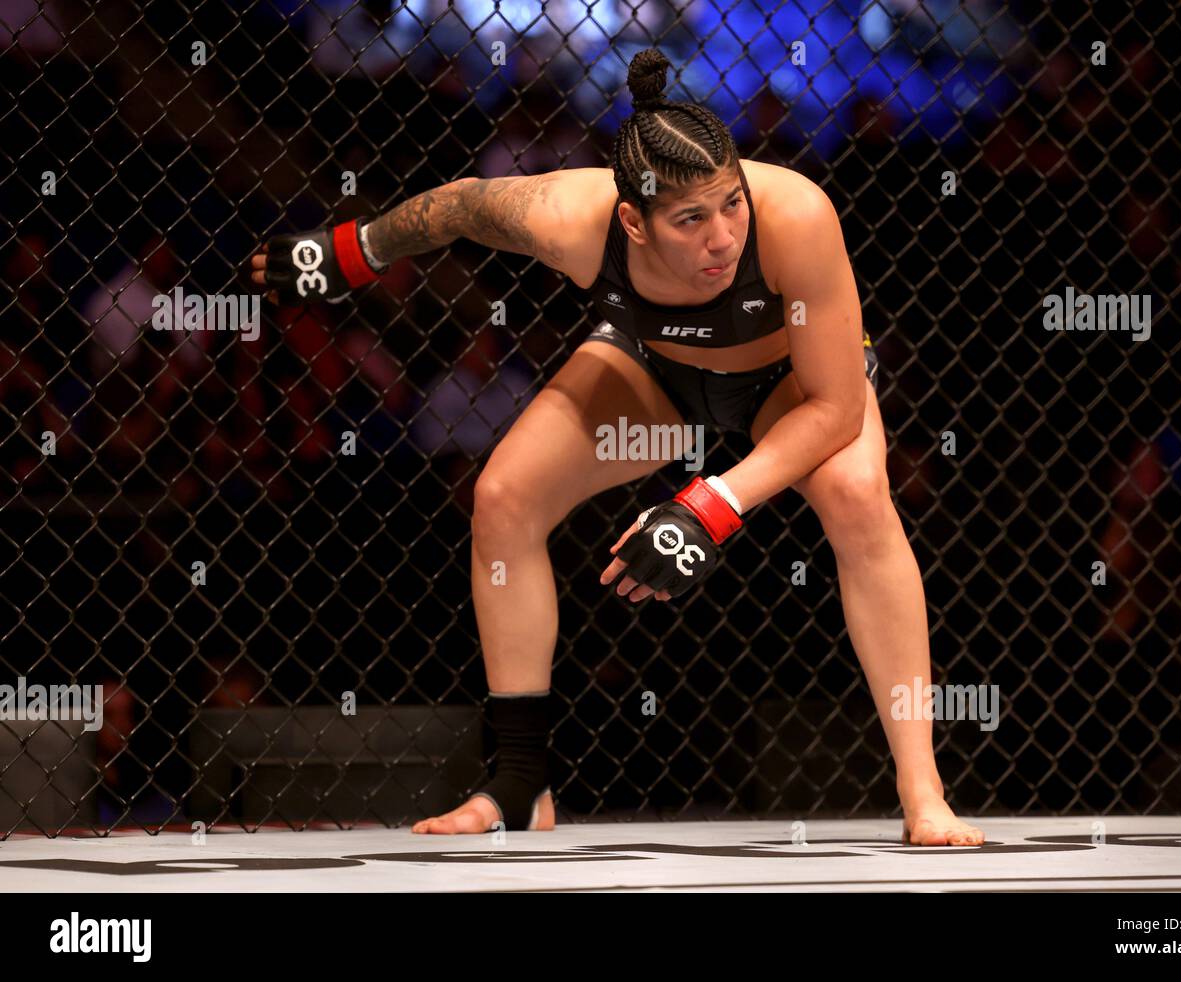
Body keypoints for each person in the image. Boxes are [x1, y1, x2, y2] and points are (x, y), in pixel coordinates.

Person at [251, 48, 984, 846]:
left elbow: (839, 408)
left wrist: (712, 504)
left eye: (731, 204)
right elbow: (459, 206)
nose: (723, 237)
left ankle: (923, 792)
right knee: (503, 498)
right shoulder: (571, 219)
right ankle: (521, 785)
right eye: (690, 220)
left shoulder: (796, 216)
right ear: (633, 220)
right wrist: (350, 253)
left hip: (788, 384)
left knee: (856, 496)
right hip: (653, 374)